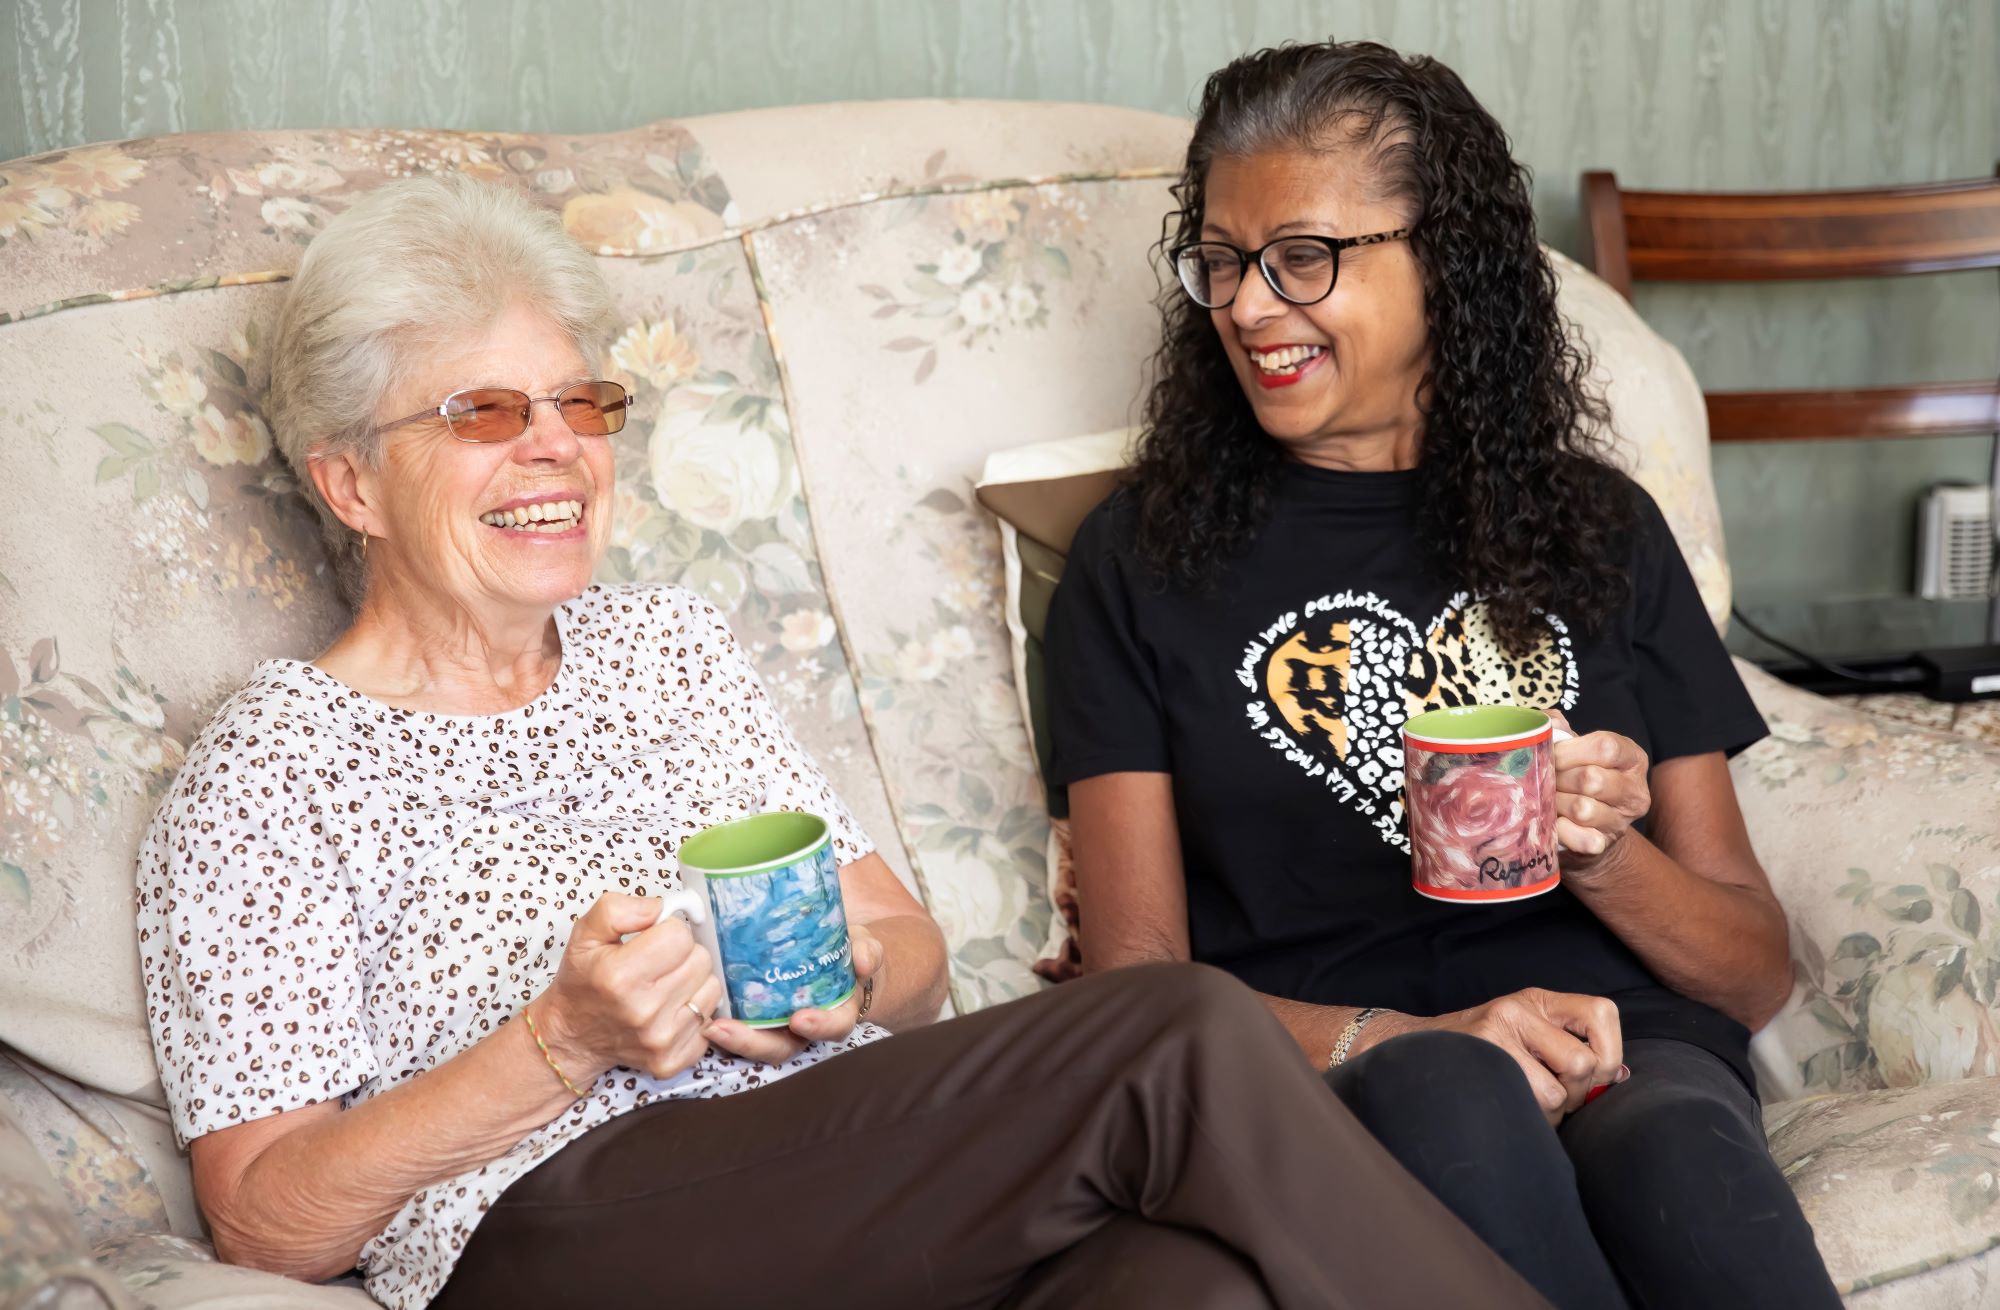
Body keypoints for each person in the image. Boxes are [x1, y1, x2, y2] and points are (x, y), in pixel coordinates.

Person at [135, 172, 1554, 1310]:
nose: (555, 448)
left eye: (583, 404)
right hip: (552, 1237)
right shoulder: (273, 767)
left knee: (1193, 1280)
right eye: (483, 415)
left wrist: (843, 982)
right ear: (347, 480)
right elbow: (265, 1217)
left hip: (846, 1188)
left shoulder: (667, 649)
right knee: (1179, 1025)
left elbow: (917, 963)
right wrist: (561, 1041)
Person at [1048, 39, 1842, 1310]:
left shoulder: (1599, 529)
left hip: (1624, 1045)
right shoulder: (1137, 561)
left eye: (1301, 256)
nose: (1248, 307)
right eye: (1220, 262)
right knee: (1449, 1092)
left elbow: (1750, 968)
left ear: (1445, 262)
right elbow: (1136, 988)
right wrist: (1399, 1036)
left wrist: (1599, 853)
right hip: (1347, 1060)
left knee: (1680, 1152)